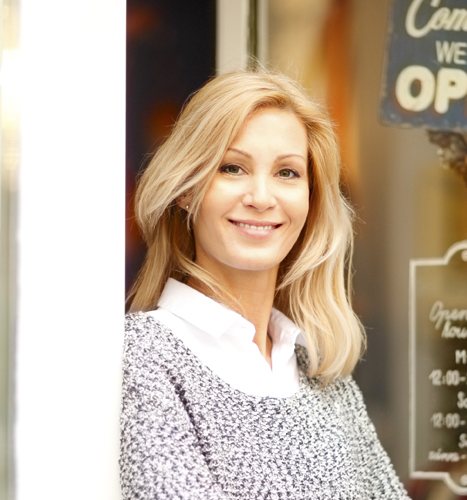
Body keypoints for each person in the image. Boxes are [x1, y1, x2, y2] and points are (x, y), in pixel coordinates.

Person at [121, 70, 410, 499]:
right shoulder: (141, 354)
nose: (261, 197)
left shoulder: (321, 374)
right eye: (232, 168)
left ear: (311, 201)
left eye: (287, 173)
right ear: (185, 189)